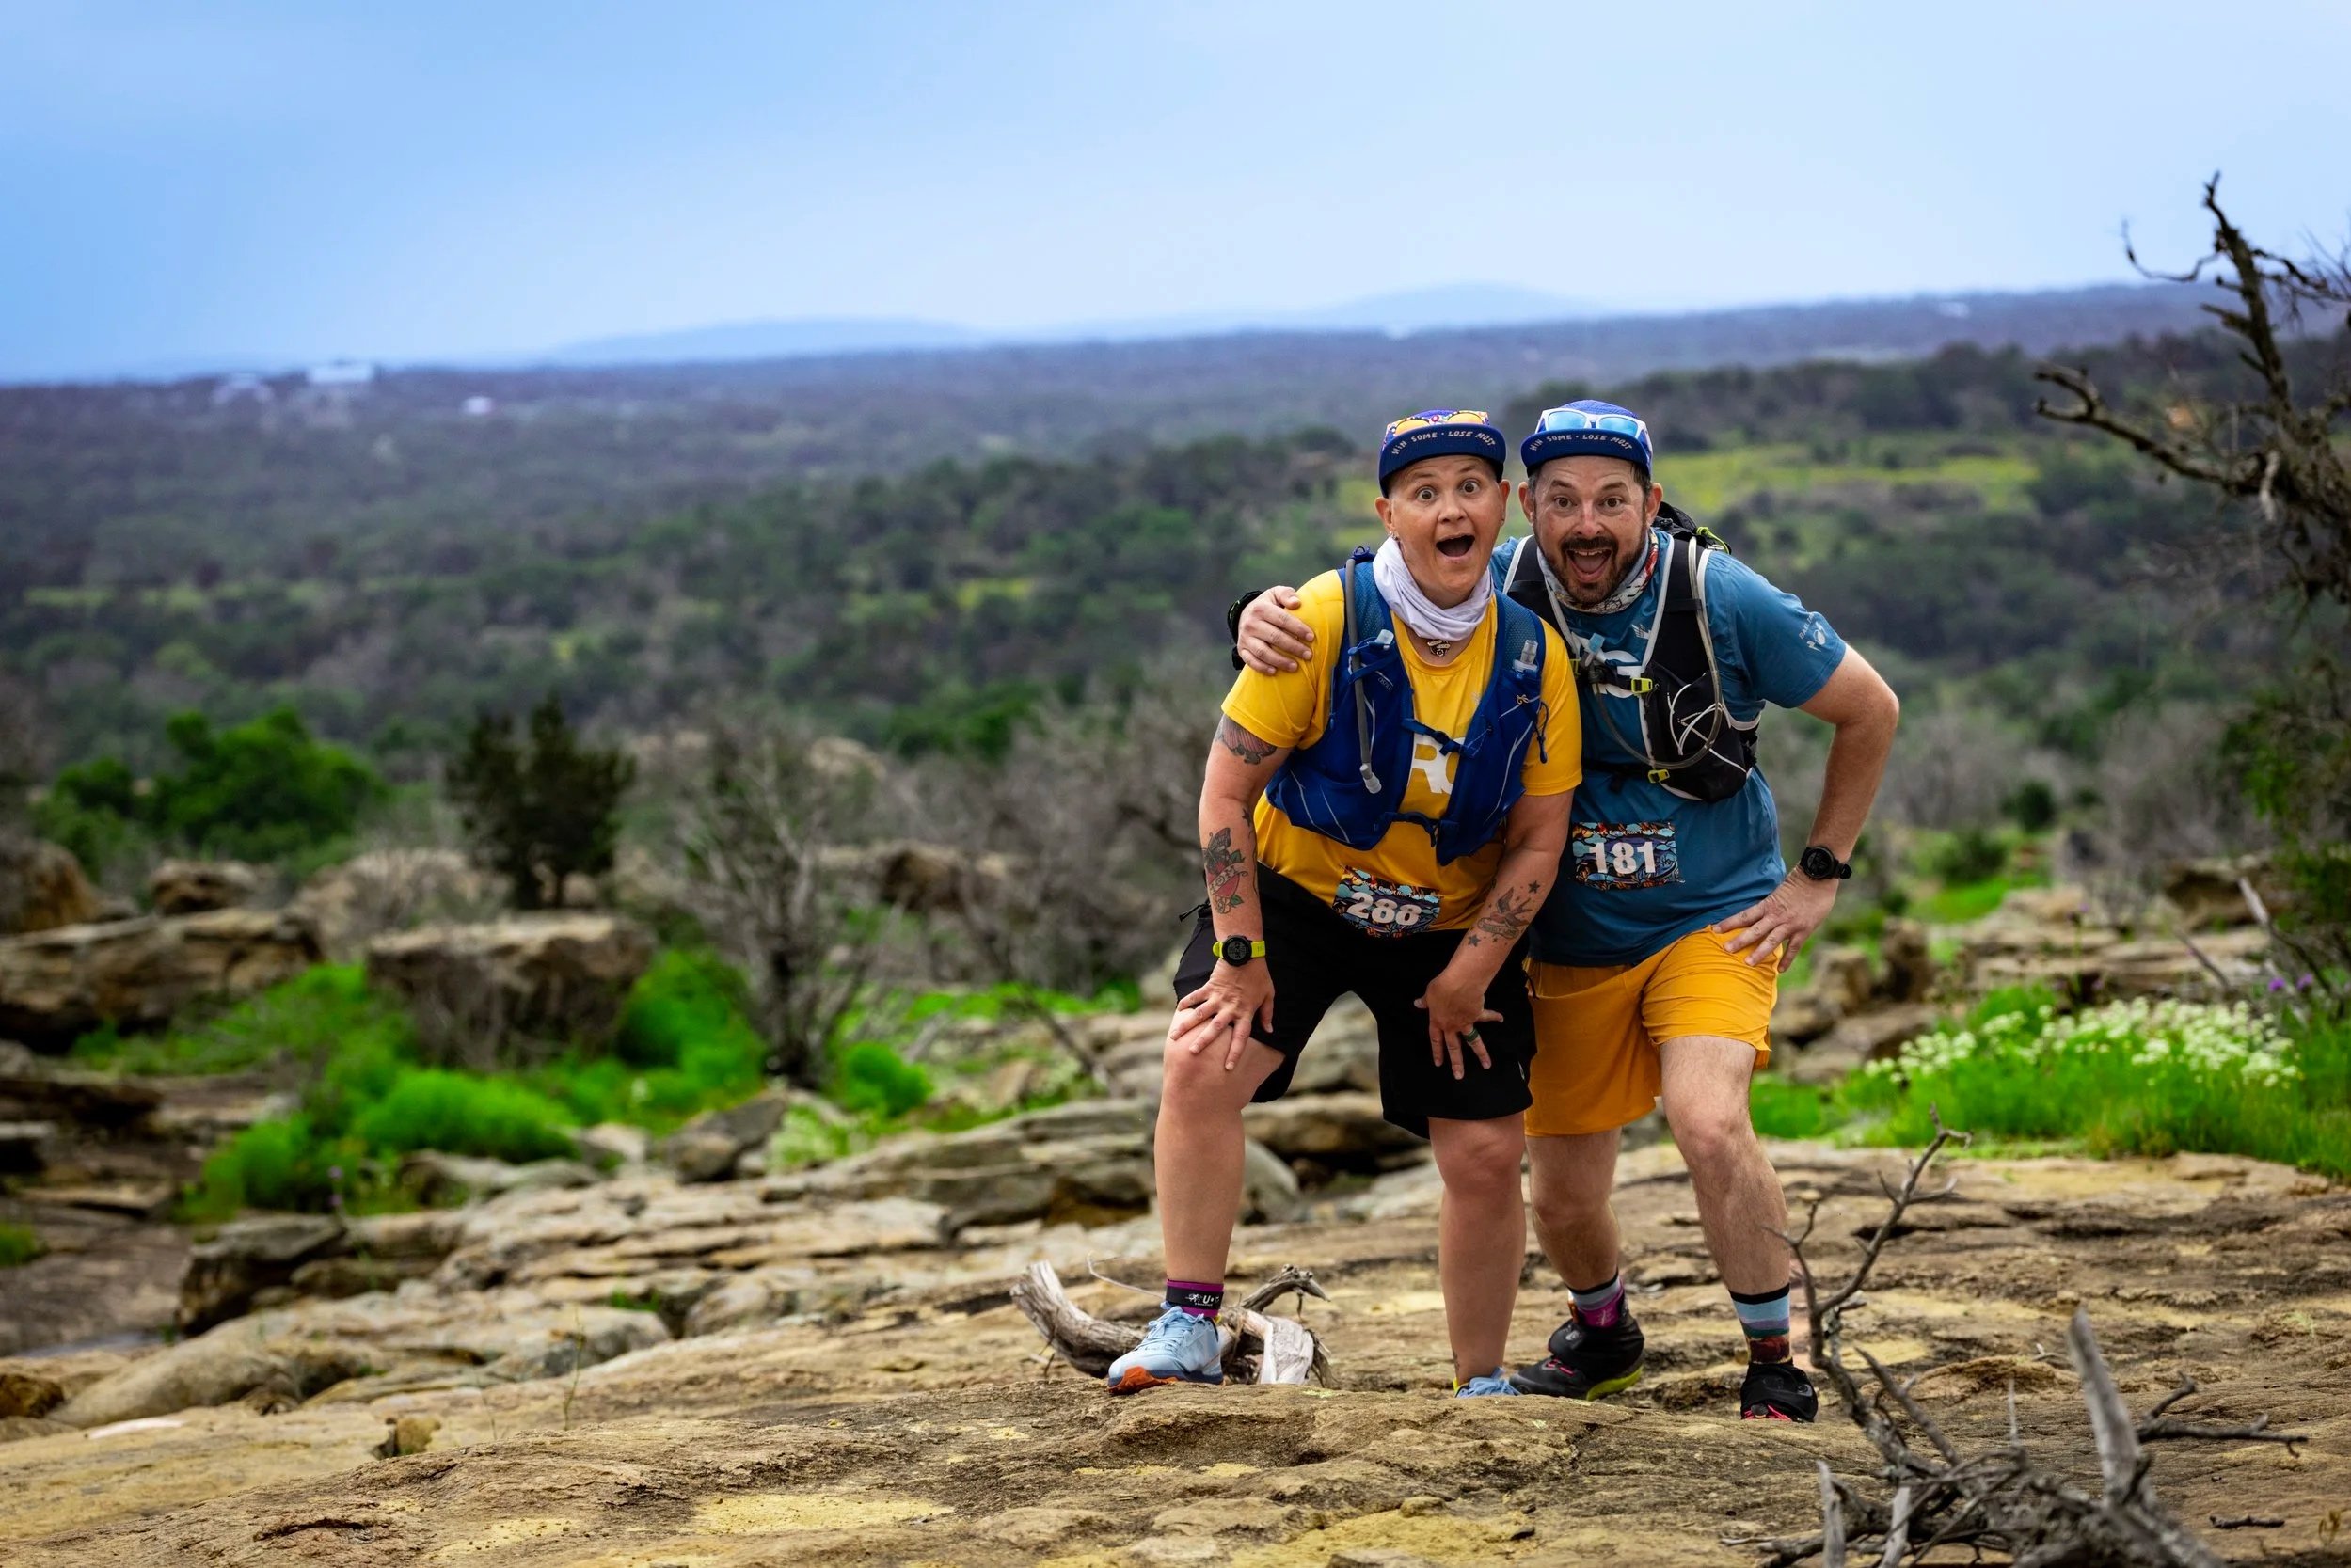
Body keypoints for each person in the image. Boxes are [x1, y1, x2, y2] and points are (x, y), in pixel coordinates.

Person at [1233, 399, 1899, 1420]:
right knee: (1564, 1186)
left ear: (1652, 503)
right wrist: (1254, 609)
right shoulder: (1497, 584)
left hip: (1710, 916)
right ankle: (1602, 1334)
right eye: (1562, 501)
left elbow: (1871, 707)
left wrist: (1817, 873)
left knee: (1709, 1119)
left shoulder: (1715, 594)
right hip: (1566, 934)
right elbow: (1358, 600)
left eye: (1612, 500)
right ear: (1525, 510)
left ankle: (1777, 1357)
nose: (1588, 523)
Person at [1108, 409, 1581, 1398]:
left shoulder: (1537, 655)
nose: (1450, 507)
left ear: (1504, 506)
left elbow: (1540, 839)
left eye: (1469, 486)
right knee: (1202, 1054)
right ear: (1388, 513)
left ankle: (1481, 1382)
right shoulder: (1319, 619)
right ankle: (1188, 1322)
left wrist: (1470, 972)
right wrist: (1241, 954)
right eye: (1424, 491)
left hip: (1451, 921)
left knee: (1489, 1149)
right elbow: (1224, 795)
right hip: (1299, 892)